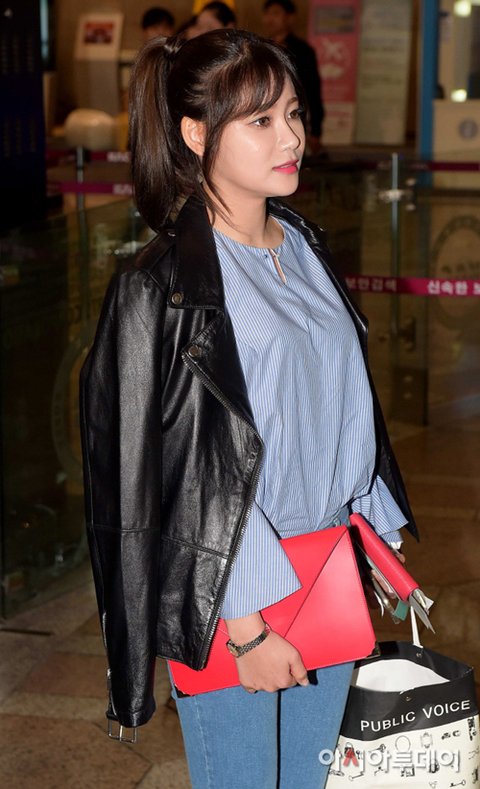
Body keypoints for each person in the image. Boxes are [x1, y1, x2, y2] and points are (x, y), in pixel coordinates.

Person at [79, 29, 417, 789]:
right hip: (230, 593)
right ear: (196, 134)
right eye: (260, 120)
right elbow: (169, 472)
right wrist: (246, 628)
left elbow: (339, 398)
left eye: (293, 113)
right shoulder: (161, 286)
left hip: (326, 567)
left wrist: (373, 531)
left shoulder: (300, 243)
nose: (291, 137)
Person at [263, 0, 324, 150]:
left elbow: (313, 91)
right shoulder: (261, 49)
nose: (270, 19)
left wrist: (315, 131)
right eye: (267, 14)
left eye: (276, 13)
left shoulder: (303, 51)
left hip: (293, 118)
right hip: (265, 119)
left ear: (290, 18)